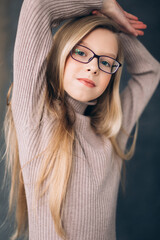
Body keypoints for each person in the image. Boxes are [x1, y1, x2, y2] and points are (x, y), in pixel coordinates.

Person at [3, 0, 160, 239]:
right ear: (61, 53)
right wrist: (104, 5)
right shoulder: (36, 115)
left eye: (106, 61)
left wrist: (117, 30)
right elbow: (37, 6)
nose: (93, 68)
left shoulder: (110, 133)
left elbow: (150, 71)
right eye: (81, 52)